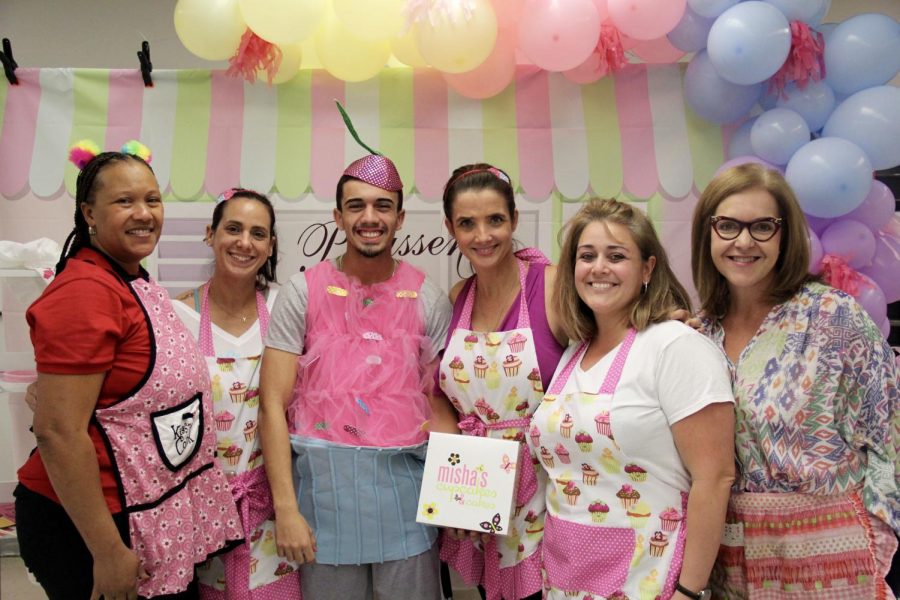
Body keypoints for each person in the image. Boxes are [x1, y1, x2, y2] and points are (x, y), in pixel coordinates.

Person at [15, 141, 242, 600]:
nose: (143, 213)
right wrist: (107, 551)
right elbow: (58, 433)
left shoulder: (130, 277)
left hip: (140, 509)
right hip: (93, 523)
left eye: (152, 199)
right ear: (89, 213)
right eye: (124, 201)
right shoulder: (84, 291)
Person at [690, 163, 899, 599]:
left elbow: (890, 434)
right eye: (727, 225)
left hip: (833, 558)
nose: (743, 241)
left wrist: (876, 541)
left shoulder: (834, 317)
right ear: (707, 234)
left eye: (762, 226)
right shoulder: (698, 336)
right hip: (728, 565)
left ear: (785, 235)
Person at [258, 152, 455, 600]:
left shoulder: (429, 299)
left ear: (400, 217)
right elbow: (271, 403)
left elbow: (442, 405)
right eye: (357, 206)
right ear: (338, 216)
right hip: (323, 511)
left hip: (407, 510)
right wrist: (286, 508)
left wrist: (458, 500)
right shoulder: (301, 292)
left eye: (383, 206)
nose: (370, 217)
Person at [532, 198, 736, 600]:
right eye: (586, 256)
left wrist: (688, 591)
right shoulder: (575, 352)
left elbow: (715, 478)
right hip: (566, 580)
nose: (599, 268)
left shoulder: (676, 346)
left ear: (647, 268)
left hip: (651, 580)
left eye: (617, 256)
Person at [436, 164, 568, 600]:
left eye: (495, 220)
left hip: (544, 493)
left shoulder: (550, 287)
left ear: (513, 219)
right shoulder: (459, 296)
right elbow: (441, 398)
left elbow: (608, 351)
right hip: (477, 487)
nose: (483, 236)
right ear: (450, 228)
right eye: (467, 224)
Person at [173, 188, 300, 598]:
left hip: (275, 503)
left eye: (258, 233)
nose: (245, 242)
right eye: (233, 229)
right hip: (206, 511)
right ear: (210, 234)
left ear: (271, 245)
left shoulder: (286, 309)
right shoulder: (178, 316)